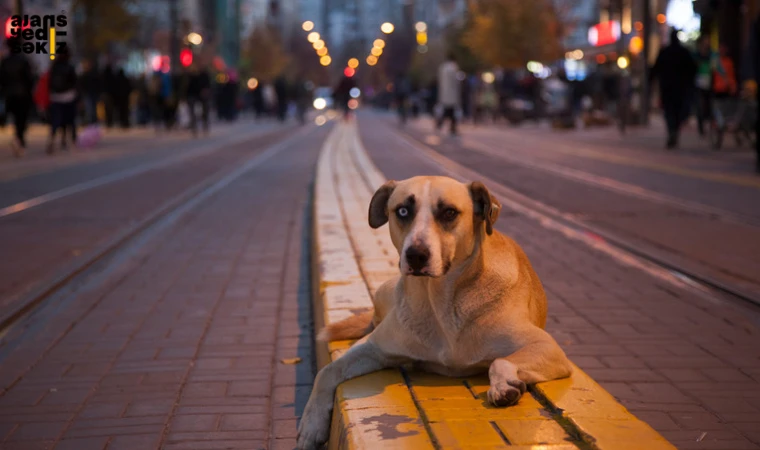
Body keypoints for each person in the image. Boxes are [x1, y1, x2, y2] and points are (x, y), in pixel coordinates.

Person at [650, 29, 698, 148]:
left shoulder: (665, 52)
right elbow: (693, 69)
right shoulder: (683, 52)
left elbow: (655, 69)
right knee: (677, 111)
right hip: (680, 89)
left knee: (670, 111)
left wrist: (651, 80)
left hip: (668, 88)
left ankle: (672, 130)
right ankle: (674, 130)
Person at [0, 38, 34, 157]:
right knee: (21, 119)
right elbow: (30, 79)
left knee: (15, 118)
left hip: (9, 95)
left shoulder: (5, 61)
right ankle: (20, 139)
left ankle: (18, 139)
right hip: (22, 95)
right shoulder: (23, 60)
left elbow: (2, 79)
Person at [47, 46, 79, 153]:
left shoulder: (54, 67)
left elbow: (49, 83)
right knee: (69, 119)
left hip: (56, 97)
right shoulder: (69, 66)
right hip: (69, 96)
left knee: (56, 120)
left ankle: (53, 140)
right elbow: (75, 82)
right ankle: (70, 140)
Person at [694, 34, 718, 136]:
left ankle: (710, 126)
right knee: (700, 106)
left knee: (710, 106)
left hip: (710, 83)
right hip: (699, 84)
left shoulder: (712, 55)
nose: (706, 43)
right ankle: (701, 127)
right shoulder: (696, 55)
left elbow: (717, 68)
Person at [436, 51, 461, 136]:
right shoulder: (454, 67)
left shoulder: (443, 67)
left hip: (444, 92)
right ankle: (452, 127)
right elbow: (456, 81)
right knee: (452, 111)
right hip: (452, 93)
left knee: (446, 110)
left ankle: (440, 122)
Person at [186, 63, 211, 136]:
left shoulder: (204, 74)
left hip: (202, 95)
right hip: (192, 95)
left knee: (205, 110)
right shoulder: (190, 75)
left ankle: (205, 125)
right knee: (192, 112)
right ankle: (194, 127)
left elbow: (208, 85)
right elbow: (186, 86)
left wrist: (206, 91)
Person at [79, 59, 101, 125]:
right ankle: (91, 120)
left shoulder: (87, 74)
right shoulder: (90, 74)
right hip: (89, 93)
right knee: (90, 107)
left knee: (91, 108)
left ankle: (92, 121)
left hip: (90, 93)